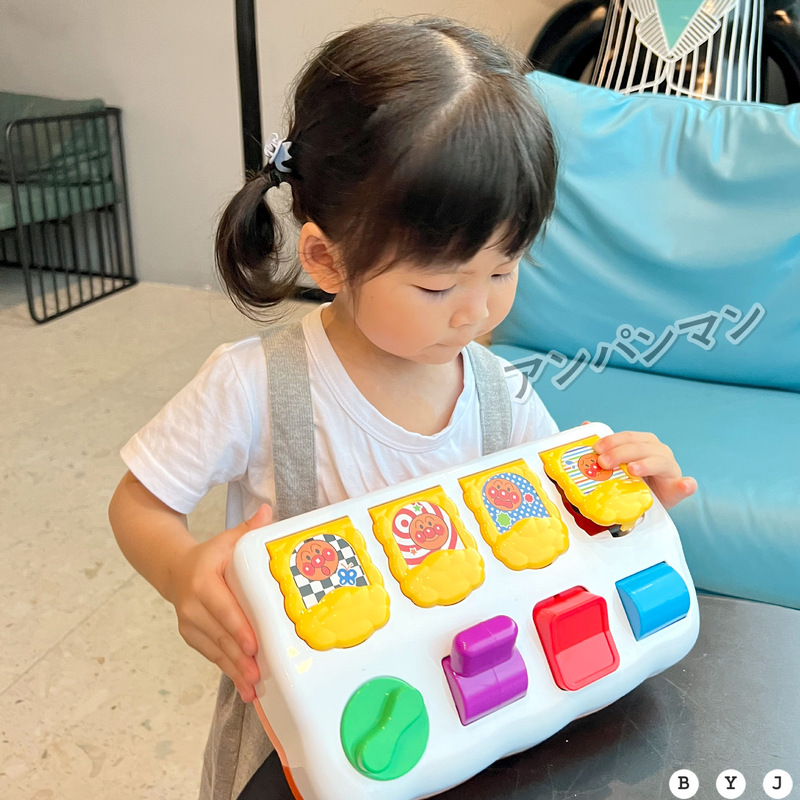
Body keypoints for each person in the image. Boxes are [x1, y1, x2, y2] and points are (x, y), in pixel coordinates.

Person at [108, 16, 697, 800]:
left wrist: (624, 498)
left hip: (482, 709)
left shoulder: (501, 391)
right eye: (438, 284)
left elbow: (557, 518)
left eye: (504, 269)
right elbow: (138, 504)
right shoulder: (255, 386)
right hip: (317, 741)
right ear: (327, 259)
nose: (476, 312)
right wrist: (181, 569)